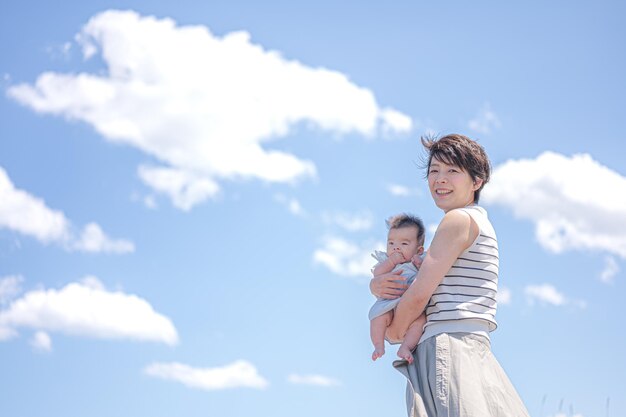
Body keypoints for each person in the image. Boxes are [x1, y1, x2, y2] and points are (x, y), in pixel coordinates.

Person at [370, 134, 530, 417]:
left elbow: (420, 293)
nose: (440, 179)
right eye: (434, 171)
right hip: (473, 347)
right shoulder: (478, 221)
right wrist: (377, 284)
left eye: (452, 171)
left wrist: (394, 331)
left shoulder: (456, 220)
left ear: (477, 181)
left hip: (448, 346)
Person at [369, 214, 426, 364]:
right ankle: (378, 345)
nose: (396, 248)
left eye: (404, 244)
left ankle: (405, 347)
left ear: (419, 250)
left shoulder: (420, 260)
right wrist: (392, 261)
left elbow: (428, 275)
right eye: (391, 243)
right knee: (378, 317)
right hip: (388, 303)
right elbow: (377, 274)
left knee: (420, 322)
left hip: (412, 306)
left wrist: (420, 265)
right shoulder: (387, 262)